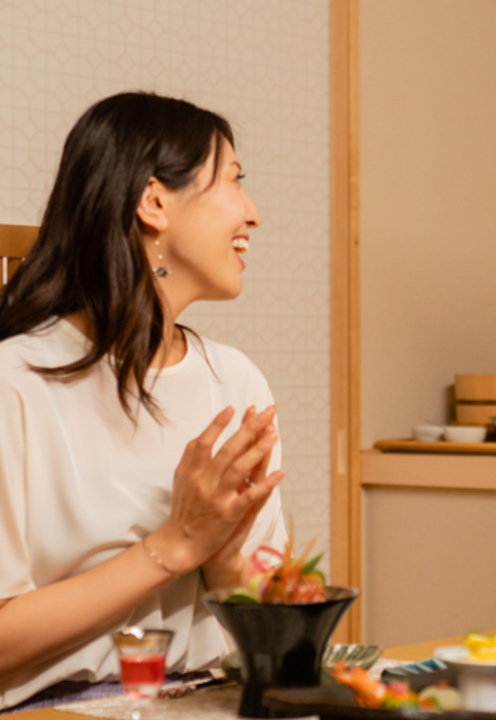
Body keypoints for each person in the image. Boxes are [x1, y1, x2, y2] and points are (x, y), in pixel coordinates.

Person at [0, 92, 288, 711]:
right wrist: (177, 543)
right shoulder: (14, 384)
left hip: (212, 697)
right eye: (234, 181)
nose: (253, 214)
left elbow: (272, 634)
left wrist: (228, 550)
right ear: (154, 202)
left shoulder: (235, 383)